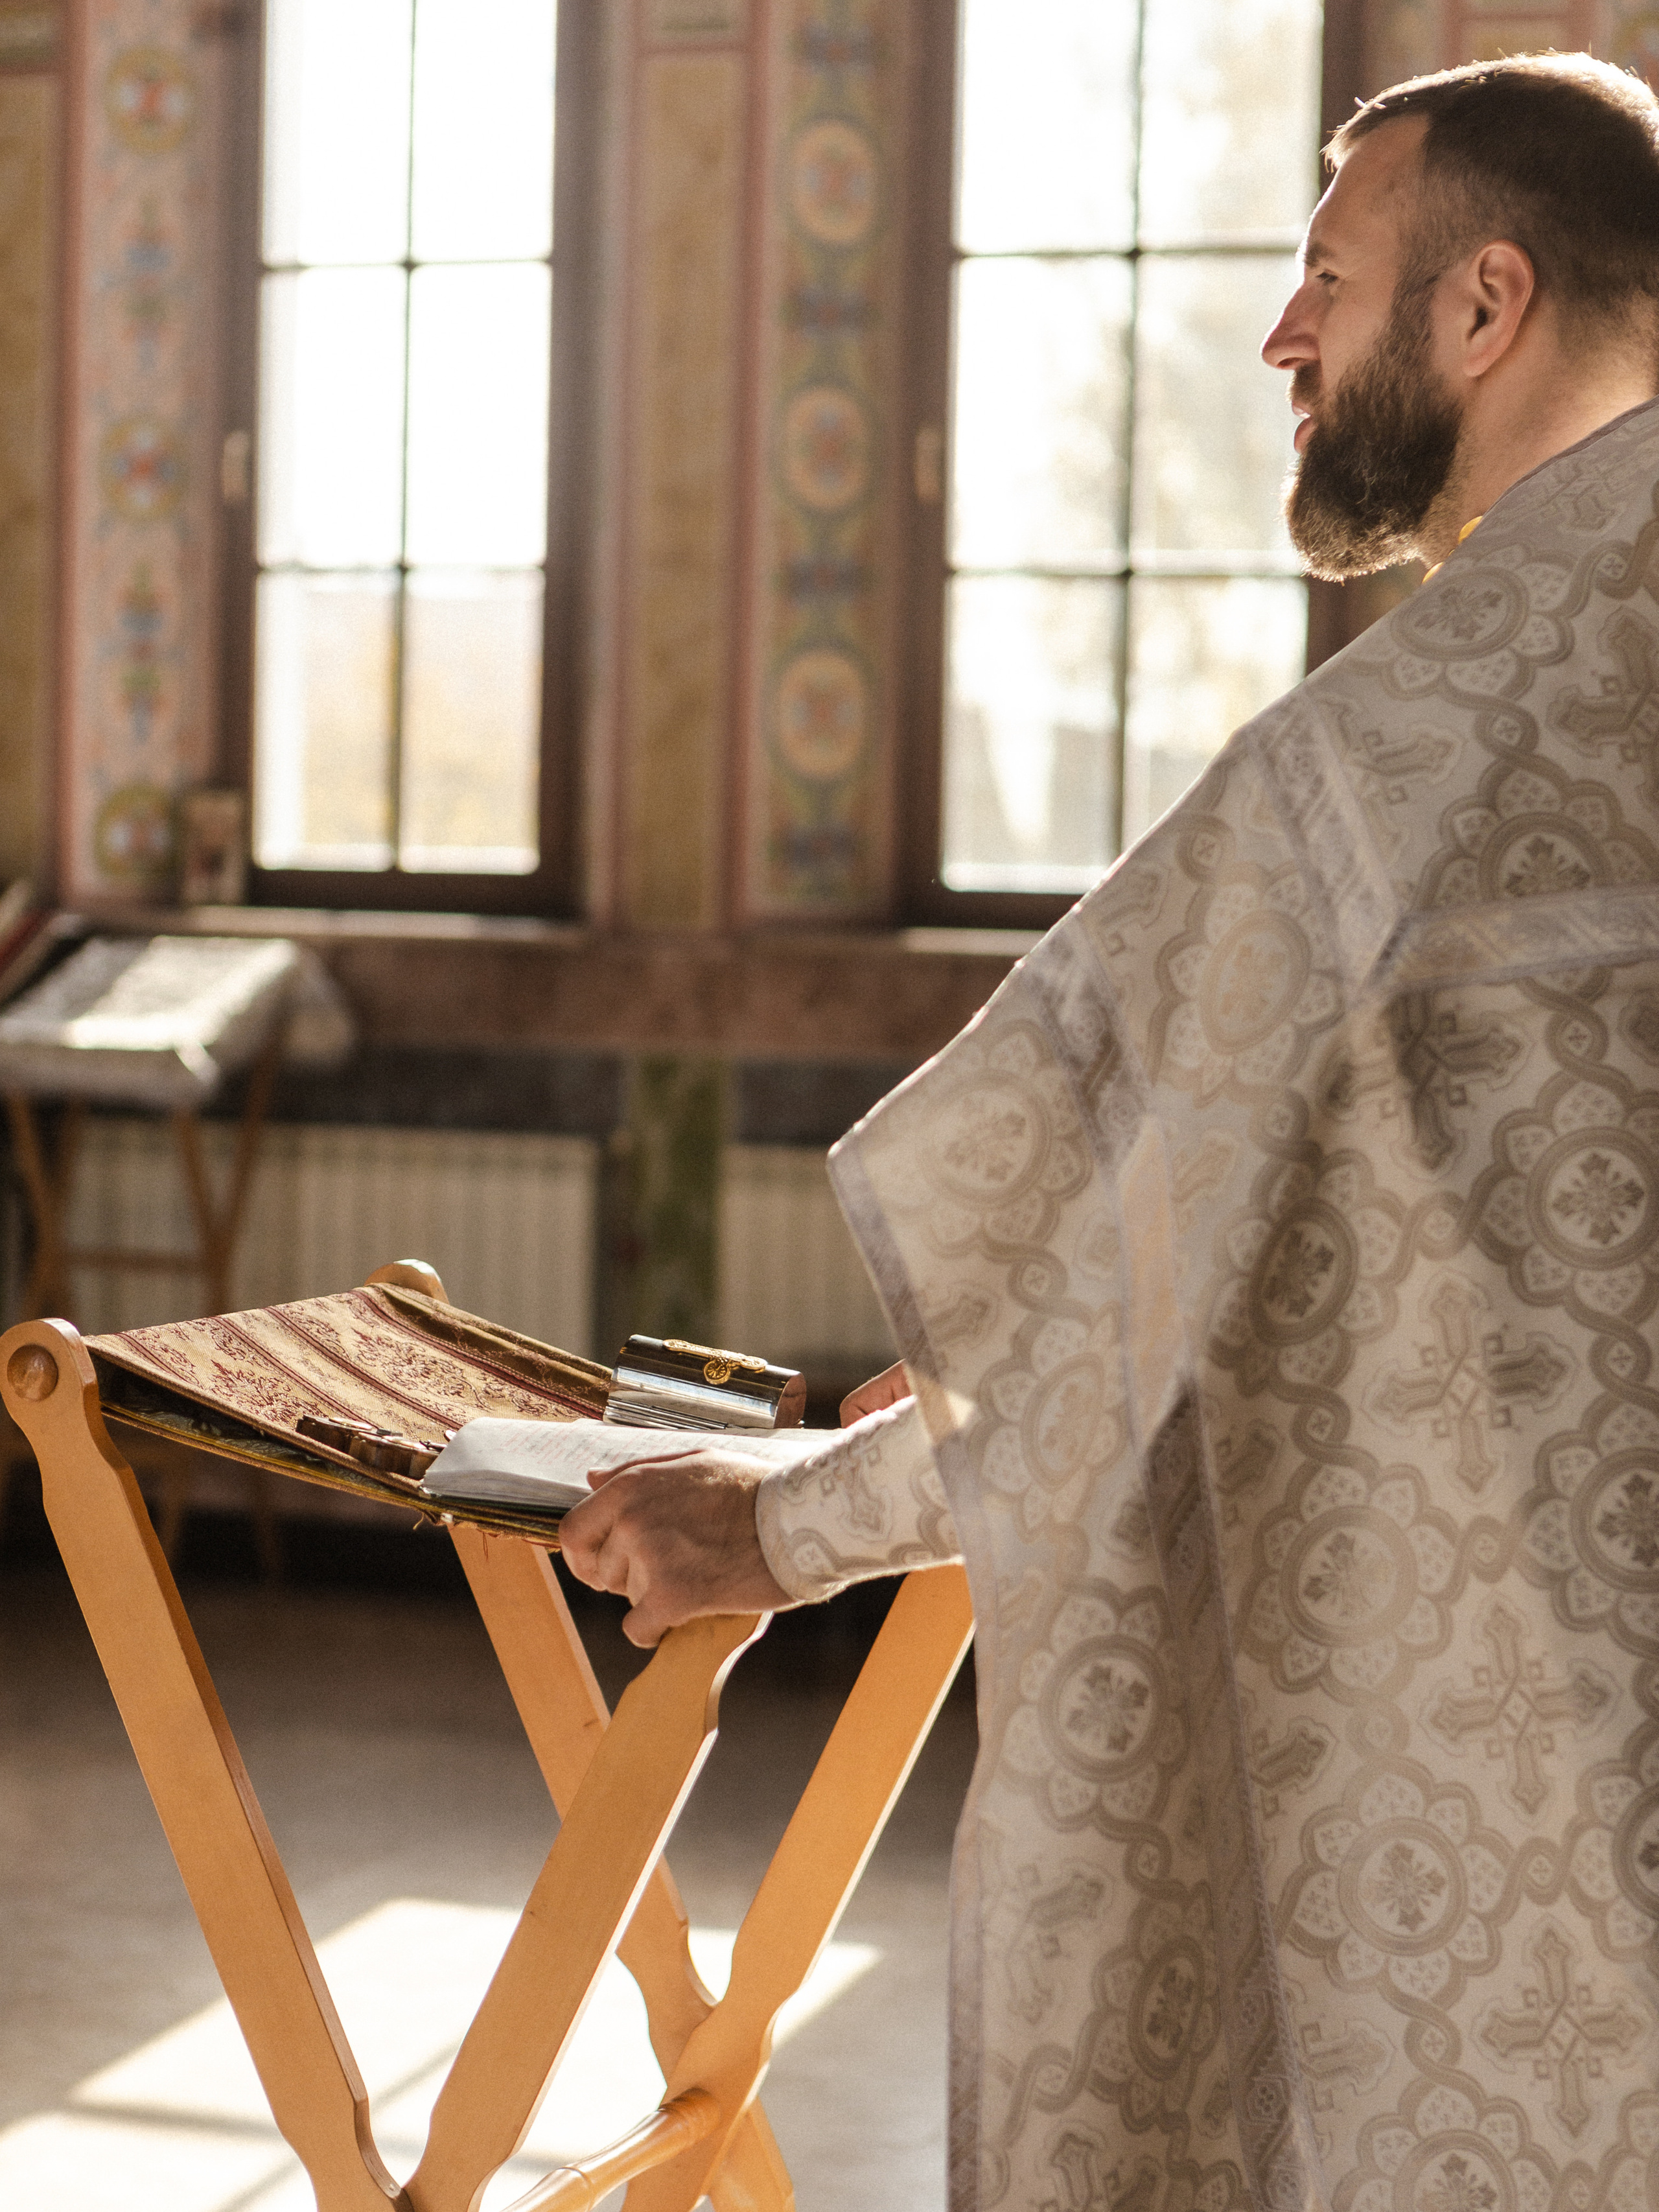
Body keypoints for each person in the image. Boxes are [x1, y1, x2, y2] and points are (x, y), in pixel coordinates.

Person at [563, 54, 1659, 2211]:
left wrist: (777, 1529)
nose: (1282, 337)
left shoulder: (1384, 780)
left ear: (1484, 305)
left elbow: (1108, 1342)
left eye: (1330, 275)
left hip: (1524, 1828)